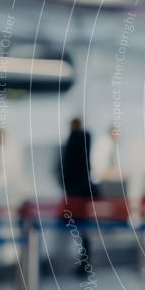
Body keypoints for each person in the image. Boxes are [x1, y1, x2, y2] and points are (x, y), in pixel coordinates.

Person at [58, 117, 95, 275]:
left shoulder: (74, 140)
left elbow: (67, 166)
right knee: (84, 231)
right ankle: (85, 263)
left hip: (75, 193)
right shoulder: (87, 138)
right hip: (85, 192)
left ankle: (82, 263)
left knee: (77, 230)